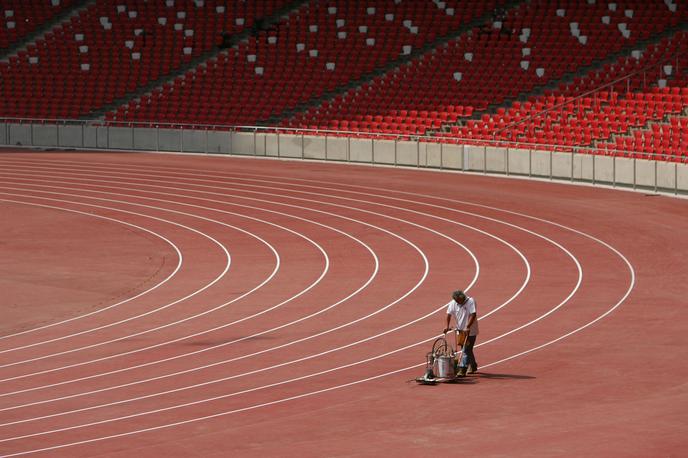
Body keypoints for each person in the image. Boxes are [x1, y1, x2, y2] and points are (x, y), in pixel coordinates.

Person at [443, 290, 479, 376]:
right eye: (456, 301)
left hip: (470, 331)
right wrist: (446, 326)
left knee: (465, 349)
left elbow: (473, 314)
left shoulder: (470, 301)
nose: (458, 302)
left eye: (459, 301)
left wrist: (468, 326)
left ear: (462, 298)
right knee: (467, 349)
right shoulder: (453, 303)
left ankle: (462, 369)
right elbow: (448, 314)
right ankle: (473, 365)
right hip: (460, 330)